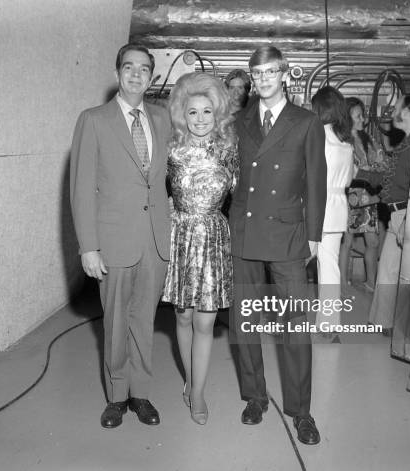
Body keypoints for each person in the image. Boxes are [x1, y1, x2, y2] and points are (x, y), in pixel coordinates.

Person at [69, 44, 172, 429]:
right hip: (113, 242)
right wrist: (88, 247)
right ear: (117, 74)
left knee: (143, 322)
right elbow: (81, 189)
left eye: (144, 69)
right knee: (114, 323)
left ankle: (141, 393)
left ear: (151, 77)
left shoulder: (162, 119)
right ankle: (116, 396)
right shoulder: (93, 120)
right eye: (128, 68)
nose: (135, 75)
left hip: (155, 243)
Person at [229, 45, 326, 445]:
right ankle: (254, 397)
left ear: (285, 74)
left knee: (295, 327)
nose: (263, 79)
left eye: (271, 71)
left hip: (287, 235)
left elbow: (315, 182)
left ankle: (301, 411)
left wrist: (315, 234)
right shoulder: (239, 121)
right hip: (245, 234)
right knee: (245, 322)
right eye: (257, 73)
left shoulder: (305, 121)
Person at [161, 72, 239, 425]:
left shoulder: (227, 151)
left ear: (217, 113)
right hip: (181, 235)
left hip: (212, 238)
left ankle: (197, 392)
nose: (200, 119)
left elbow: (238, 196)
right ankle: (190, 378)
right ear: (182, 115)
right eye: (193, 112)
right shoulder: (172, 152)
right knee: (183, 316)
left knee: (206, 322)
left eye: (207, 112)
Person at [368, 94, 410, 331]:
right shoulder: (407, 143)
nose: (393, 112)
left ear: (408, 112)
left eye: (397, 108)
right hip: (396, 216)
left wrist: (409, 219)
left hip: (407, 215)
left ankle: (403, 326)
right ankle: (384, 322)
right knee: (388, 269)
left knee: (404, 273)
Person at [311, 87, 354, 332]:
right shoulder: (346, 141)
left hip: (317, 206)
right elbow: (348, 181)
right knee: (330, 267)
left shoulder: (317, 137)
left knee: (294, 265)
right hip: (338, 207)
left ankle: (284, 318)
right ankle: (329, 323)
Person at [339, 97, 387, 291]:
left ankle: (370, 282)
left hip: (368, 196)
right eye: (357, 116)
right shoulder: (343, 141)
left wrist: (373, 167)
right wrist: (371, 167)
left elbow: (382, 163)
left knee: (373, 241)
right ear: (347, 118)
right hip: (350, 195)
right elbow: (353, 171)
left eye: (362, 115)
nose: (362, 119)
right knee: (347, 240)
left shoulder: (368, 139)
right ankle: (342, 281)